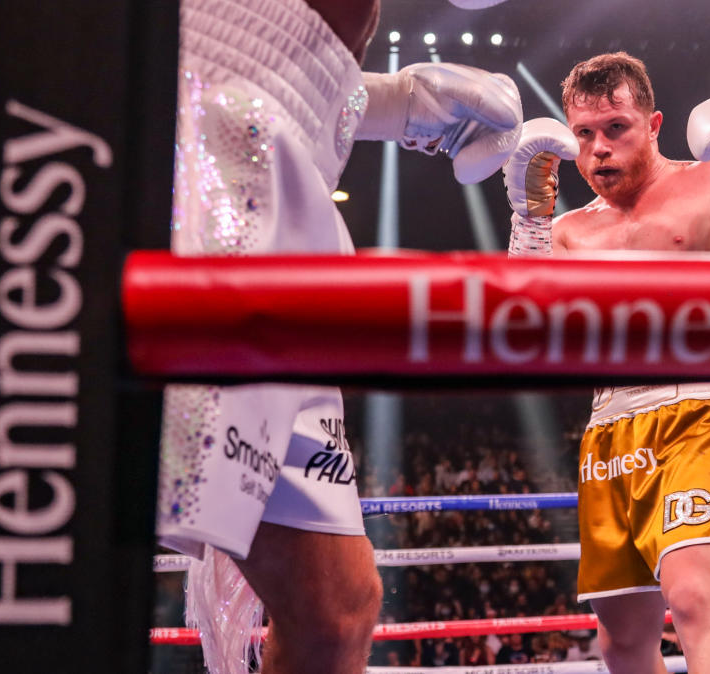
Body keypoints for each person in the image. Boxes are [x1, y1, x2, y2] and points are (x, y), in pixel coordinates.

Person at [156, 2, 522, 673]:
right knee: (90, 550)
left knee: (337, 614)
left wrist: (396, 104)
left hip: (290, 175)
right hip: (211, 164)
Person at [503, 52, 710, 673]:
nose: (598, 148)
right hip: (611, 428)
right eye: (585, 134)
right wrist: (529, 220)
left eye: (616, 127)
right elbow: (527, 331)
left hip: (706, 409)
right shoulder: (568, 231)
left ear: (653, 125)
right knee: (622, 641)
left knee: (697, 598)